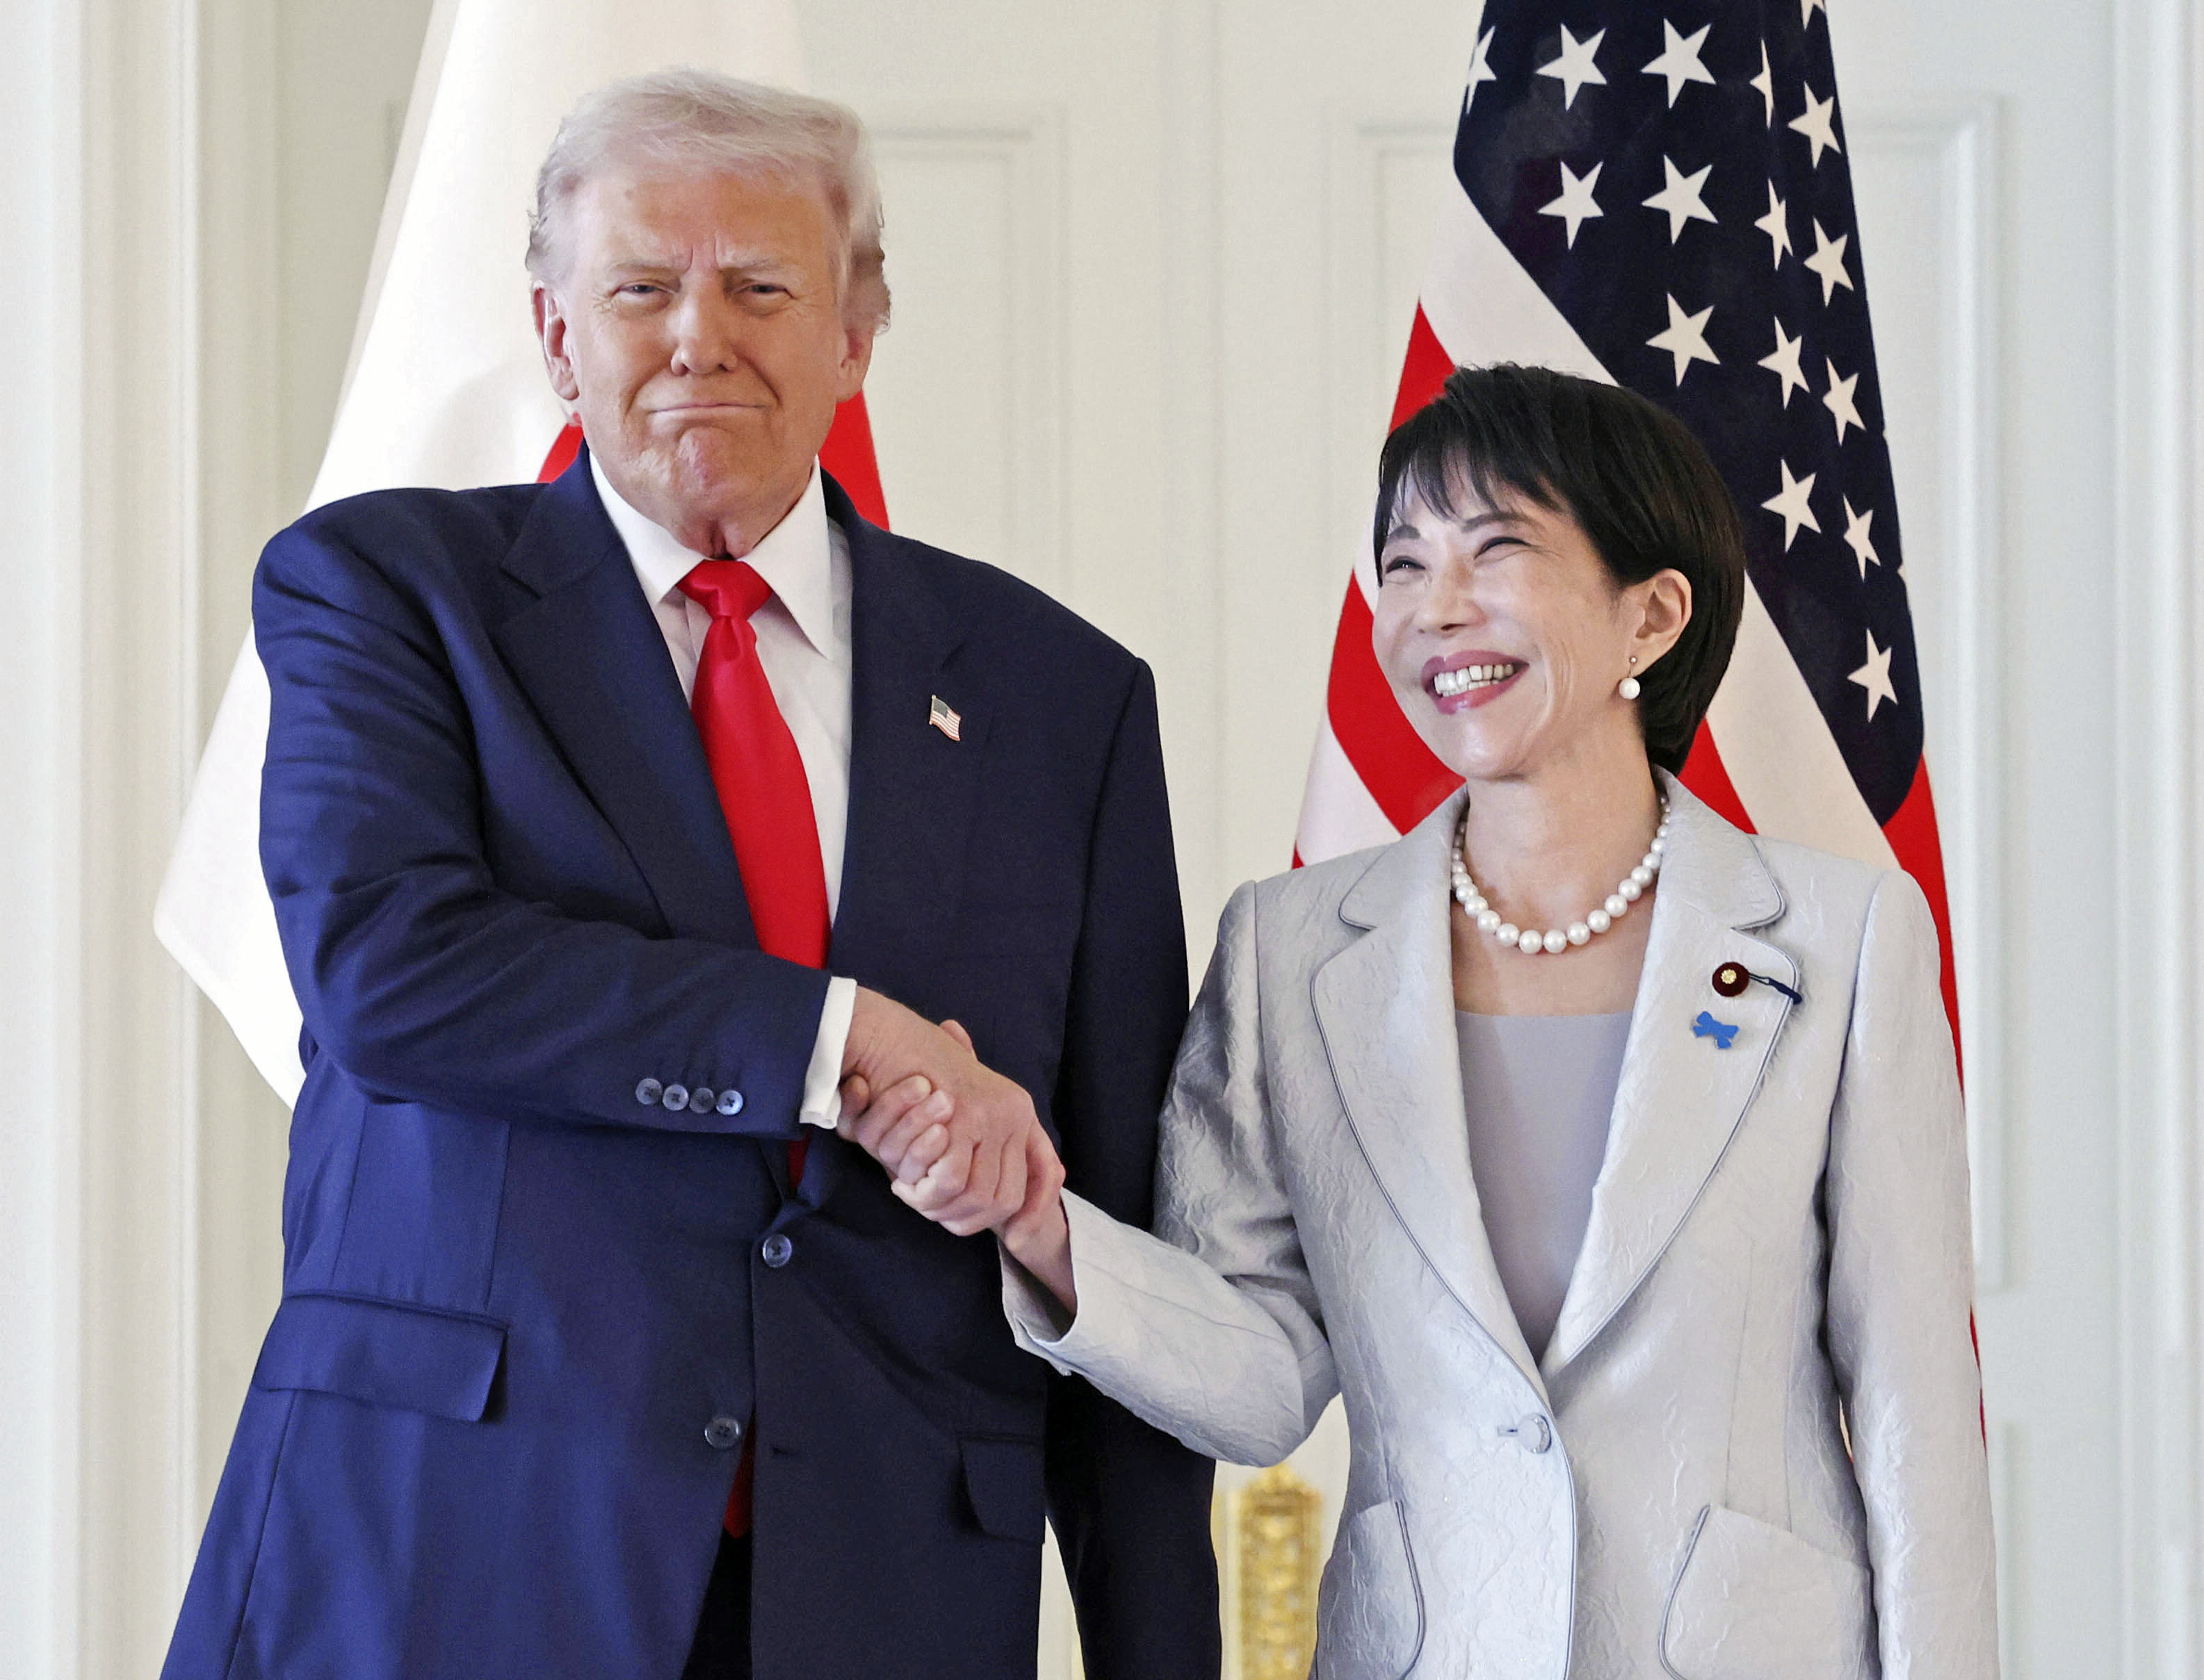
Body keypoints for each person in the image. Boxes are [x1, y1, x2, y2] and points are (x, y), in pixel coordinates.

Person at [161, 70, 1217, 1680]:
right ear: (554, 329)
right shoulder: (386, 593)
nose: (696, 336)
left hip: (890, 1589)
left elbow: (1112, 1215)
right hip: (452, 1556)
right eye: (641, 287)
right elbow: (392, 971)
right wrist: (839, 1036)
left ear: (857, 331)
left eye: (763, 287)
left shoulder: (1057, 694)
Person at [847, 364, 1999, 1677]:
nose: (1431, 610)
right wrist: (1036, 1222)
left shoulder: (1839, 940)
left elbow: (1911, 1401)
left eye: (1495, 548)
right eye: (1401, 564)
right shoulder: (1287, 950)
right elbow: (1265, 1372)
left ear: (1650, 617)